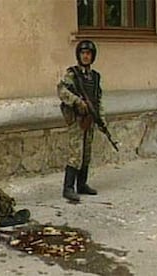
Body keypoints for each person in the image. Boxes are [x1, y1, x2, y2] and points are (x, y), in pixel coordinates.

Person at [57, 40, 107, 202]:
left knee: (86, 153)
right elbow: (61, 91)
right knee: (75, 153)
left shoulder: (95, 77)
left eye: (89, 54)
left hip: (89, 119)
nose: (86, 56)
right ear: (78, 55)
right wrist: (77, 102)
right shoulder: (72, 74)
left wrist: (102, 120)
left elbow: (98, 99)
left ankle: (82, 184)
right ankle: (68, 187)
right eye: (83, 53)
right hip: (77, 119)